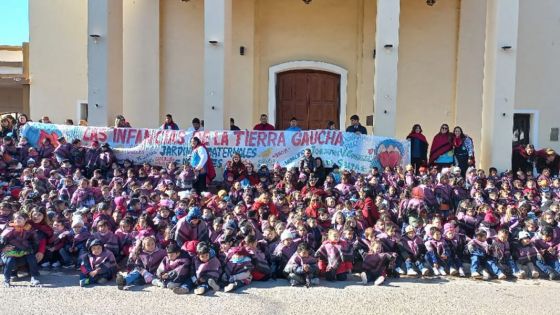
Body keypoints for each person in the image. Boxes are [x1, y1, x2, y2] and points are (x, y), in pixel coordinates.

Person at [0, 211, 41, 287]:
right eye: (15, 218)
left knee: (31, 258)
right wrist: (3, 248)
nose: (17, 219)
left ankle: (34, 277)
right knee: (10, 260)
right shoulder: (9, 228)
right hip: (10, 252)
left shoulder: (30, 229)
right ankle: (7, 279)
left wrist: (31, 248)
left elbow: (36, 241)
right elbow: (1, 240)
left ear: (25, 220)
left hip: (24, 251)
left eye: (20, 218)